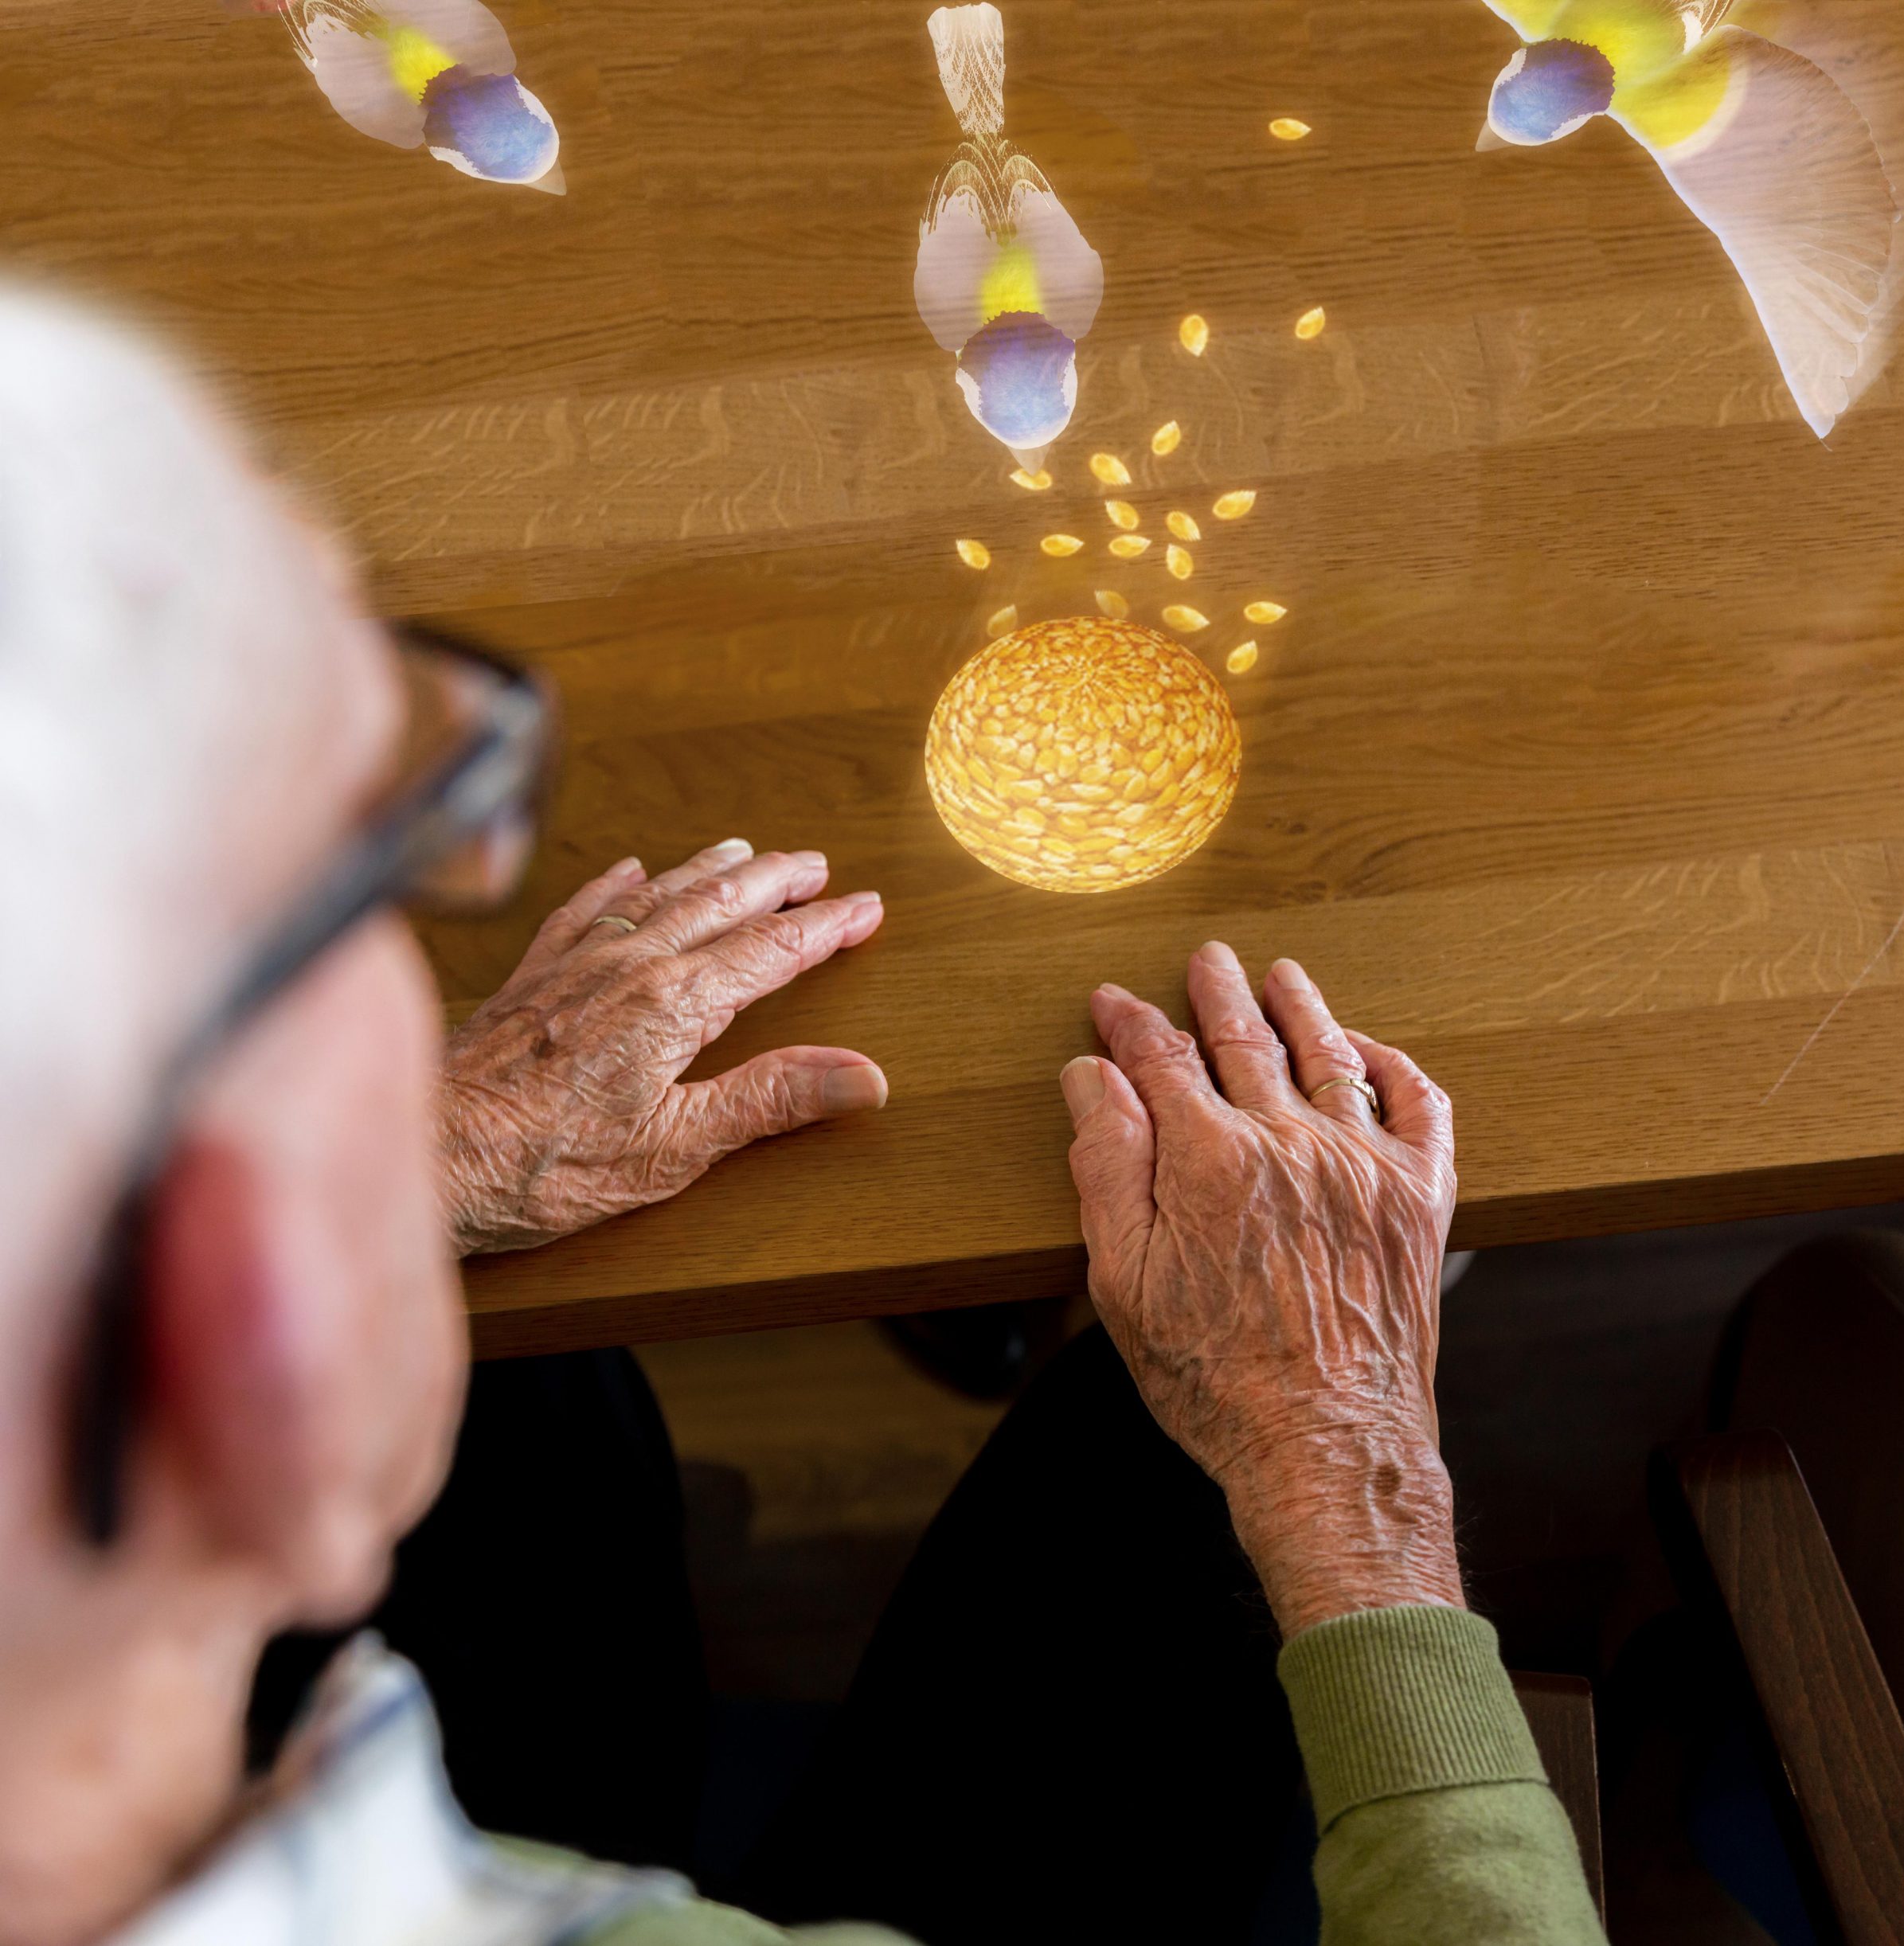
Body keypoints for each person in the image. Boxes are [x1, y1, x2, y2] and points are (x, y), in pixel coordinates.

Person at [0, 286, 1605, 1946]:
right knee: (1187, 1453)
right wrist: (1350, 1470)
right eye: (367, 858)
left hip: (437, 1772)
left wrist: (433, 1173)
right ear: (245, 1336)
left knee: (534, 1374)